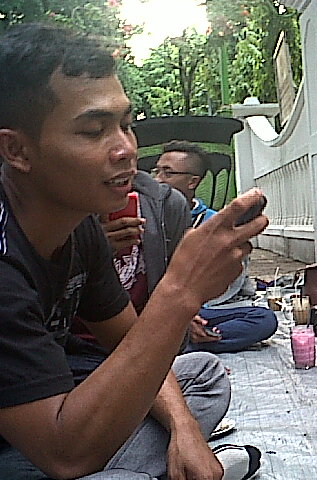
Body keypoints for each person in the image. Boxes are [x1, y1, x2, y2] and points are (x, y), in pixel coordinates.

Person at [0, 23, 266, 480]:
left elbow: (126, 339)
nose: (126, 150)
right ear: (17, 150)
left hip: (53, 406)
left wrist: (184, 428)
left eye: (125, 125)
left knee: (200, 376)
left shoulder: (78, 225)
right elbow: (65, 455)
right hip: (39, 444)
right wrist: (181, 291)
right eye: (92, 131)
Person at [66, 169, 191, 383]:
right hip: (74, 352)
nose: (125, 153)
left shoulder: (165, 203)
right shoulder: (57, 211)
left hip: (143, 344)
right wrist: (93, 251)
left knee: (206, 369)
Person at [153, 140, 277, 354]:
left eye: (168, 173)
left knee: (264, 319)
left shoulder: (213, 222)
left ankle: (184, 343)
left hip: (202, 308)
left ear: (192, 182)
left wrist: (192, 313)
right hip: (156, 307)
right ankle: (178, 342)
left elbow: (230, 280)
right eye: (156, 171)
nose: (158, 179)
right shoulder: (144, 216)